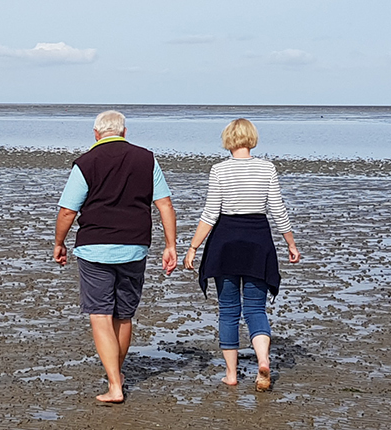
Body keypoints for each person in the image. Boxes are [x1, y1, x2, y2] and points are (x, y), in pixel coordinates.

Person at [53, 110, 179, 403]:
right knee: (124, 315)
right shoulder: (146, 159)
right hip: (134, 246)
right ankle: (116, 375)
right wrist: (170, 245)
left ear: (96, 134)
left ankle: (114, 385)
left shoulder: (86, 162)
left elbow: (68, 211)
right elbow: (165, 205)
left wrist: (58, 242)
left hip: (95, 247)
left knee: (100, 315)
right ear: (124, 132)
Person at [181, 118, 300, 392]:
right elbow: (278, 210)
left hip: (226, 241)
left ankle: (232, 374)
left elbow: (210, 213)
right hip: (258, 240)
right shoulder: (267, 168)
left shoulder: (219, 170)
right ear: (252, 139)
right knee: (256, 308)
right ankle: (263, 361)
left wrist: (193, 247)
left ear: (228, 140)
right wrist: (291, 244)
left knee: (229, 310)